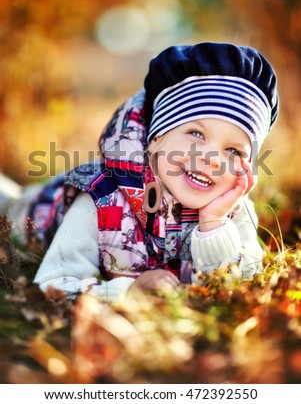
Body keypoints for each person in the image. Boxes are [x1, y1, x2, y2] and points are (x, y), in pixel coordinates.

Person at [6, 42, 279, 303]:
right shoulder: (100, 200)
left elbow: (243, 285)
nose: (212, 159)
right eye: (196, 133)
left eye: (234, 151)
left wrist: (213, 225)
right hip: (37, 210)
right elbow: (52, 285)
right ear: (156, 138)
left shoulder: (233, 209)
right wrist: (129, 292)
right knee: (9, 203)